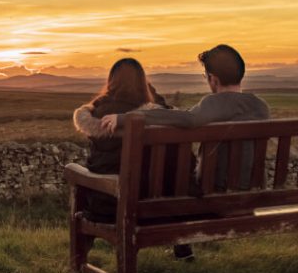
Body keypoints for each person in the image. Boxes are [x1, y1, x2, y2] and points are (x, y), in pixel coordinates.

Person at [97, 44, 270, 260]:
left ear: (212, 79)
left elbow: (189, 119)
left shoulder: (214, 102)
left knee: (170, 181)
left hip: (216, 195)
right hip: (252, 195)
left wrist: (126, 117)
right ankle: (182, 250)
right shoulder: (260, 106)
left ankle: (180, 247)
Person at [71, 58, 170, 223]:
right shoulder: (153, 115)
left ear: (111, 82)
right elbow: (164, 109)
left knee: (75, 170)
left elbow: (99, 164)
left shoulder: (99, 113)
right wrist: (150, 92)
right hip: (155, 207)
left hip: (107, 208)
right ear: (143, 83)